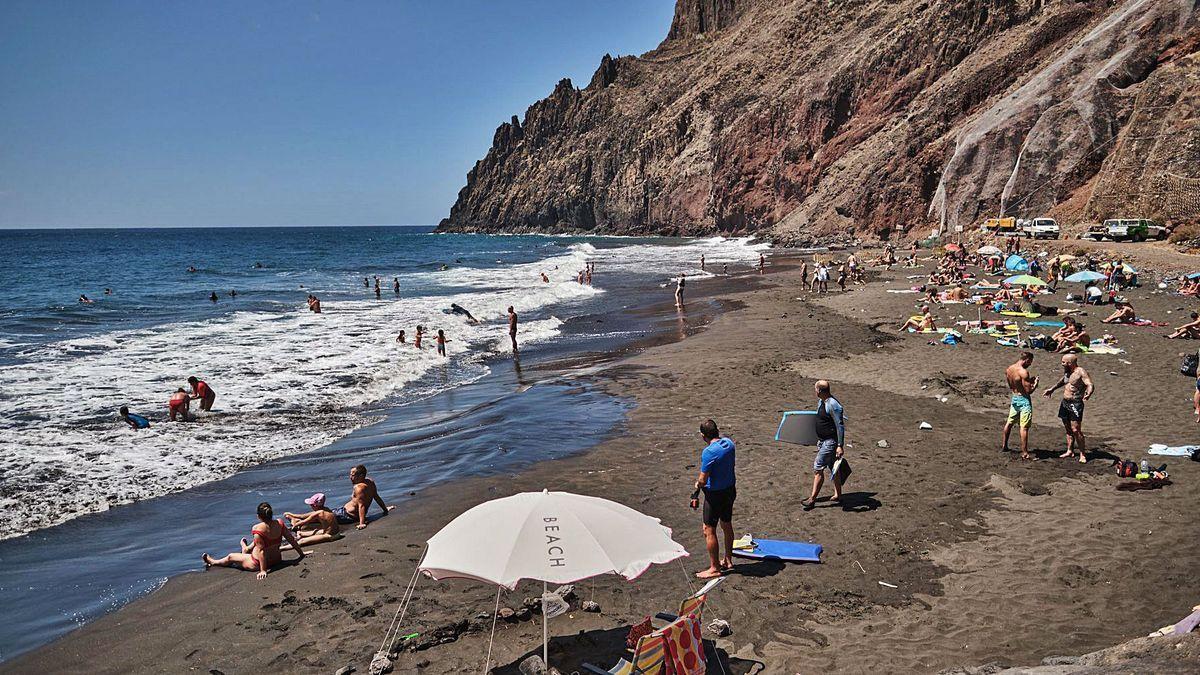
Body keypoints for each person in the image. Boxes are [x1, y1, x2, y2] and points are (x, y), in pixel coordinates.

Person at [203, 502, 304, 580]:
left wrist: (263, 570)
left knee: (231, 557)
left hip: (257, 563)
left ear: (259, 516)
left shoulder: (257, 528)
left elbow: (261, 551)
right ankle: (245, 549)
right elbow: (291, 539)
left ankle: (214, 562)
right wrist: (301, 554)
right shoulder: (280, 523)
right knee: (259, 543)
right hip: (277, 559)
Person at [691, 419, 735, 579]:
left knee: (708, 529)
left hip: (715, 495)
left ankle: (714, 567)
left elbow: (703, 480)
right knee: (726, 524)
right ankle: (728, 560)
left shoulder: (709, 452)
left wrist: (697, 485)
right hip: (730, 490)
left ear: (703, 436)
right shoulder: (729, 444)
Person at [802, 380, 845, 510]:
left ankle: (812, 499)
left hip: (830, 442)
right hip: (822, 441)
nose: (814, 391)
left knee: (818, 468)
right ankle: (838, 495)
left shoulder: (833, 404)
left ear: (819, 391)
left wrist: (840, 445)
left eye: (815, 389)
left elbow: (840, 426)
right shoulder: (822, 401)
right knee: (833, 467)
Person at [1043, 354, 1094, 463]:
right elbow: (1064, 380)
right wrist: (1052, 389)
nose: (1062, 364)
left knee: (1076, 429)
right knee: (1068, 428)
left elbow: (1089, 384)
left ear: (1070, 363)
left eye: (1063, 362)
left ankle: (1082, 454)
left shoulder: (1081, 372)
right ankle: (1070, 450)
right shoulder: (1068, 371)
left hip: (1075, 403)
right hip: (1065, 403)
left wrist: (1089, 393)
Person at [1002, 352, 1039, 460]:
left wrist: (1027, 382)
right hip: (1023, 400)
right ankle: (1025, 453)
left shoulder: (1009, 369)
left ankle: (1004, 445)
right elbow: (1028, 391)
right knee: (1024, 427)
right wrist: (1035, 384)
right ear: (1027, 359)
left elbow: (1012, 385)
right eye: (1030, 362)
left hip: (1014, 398)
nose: (1030, 364)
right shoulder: (1024, 372)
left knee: (1009, 422)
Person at [334, 465, 393, 530]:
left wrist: (361, 523)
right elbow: (376, 497)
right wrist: (385, 509)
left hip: (346, 515)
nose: (350, 477)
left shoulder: (359, 488)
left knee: (322, 514)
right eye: (350, 475)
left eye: (353, 475)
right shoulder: (370, 482)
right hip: (346, 512)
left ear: (361, 476)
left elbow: (361, 506)